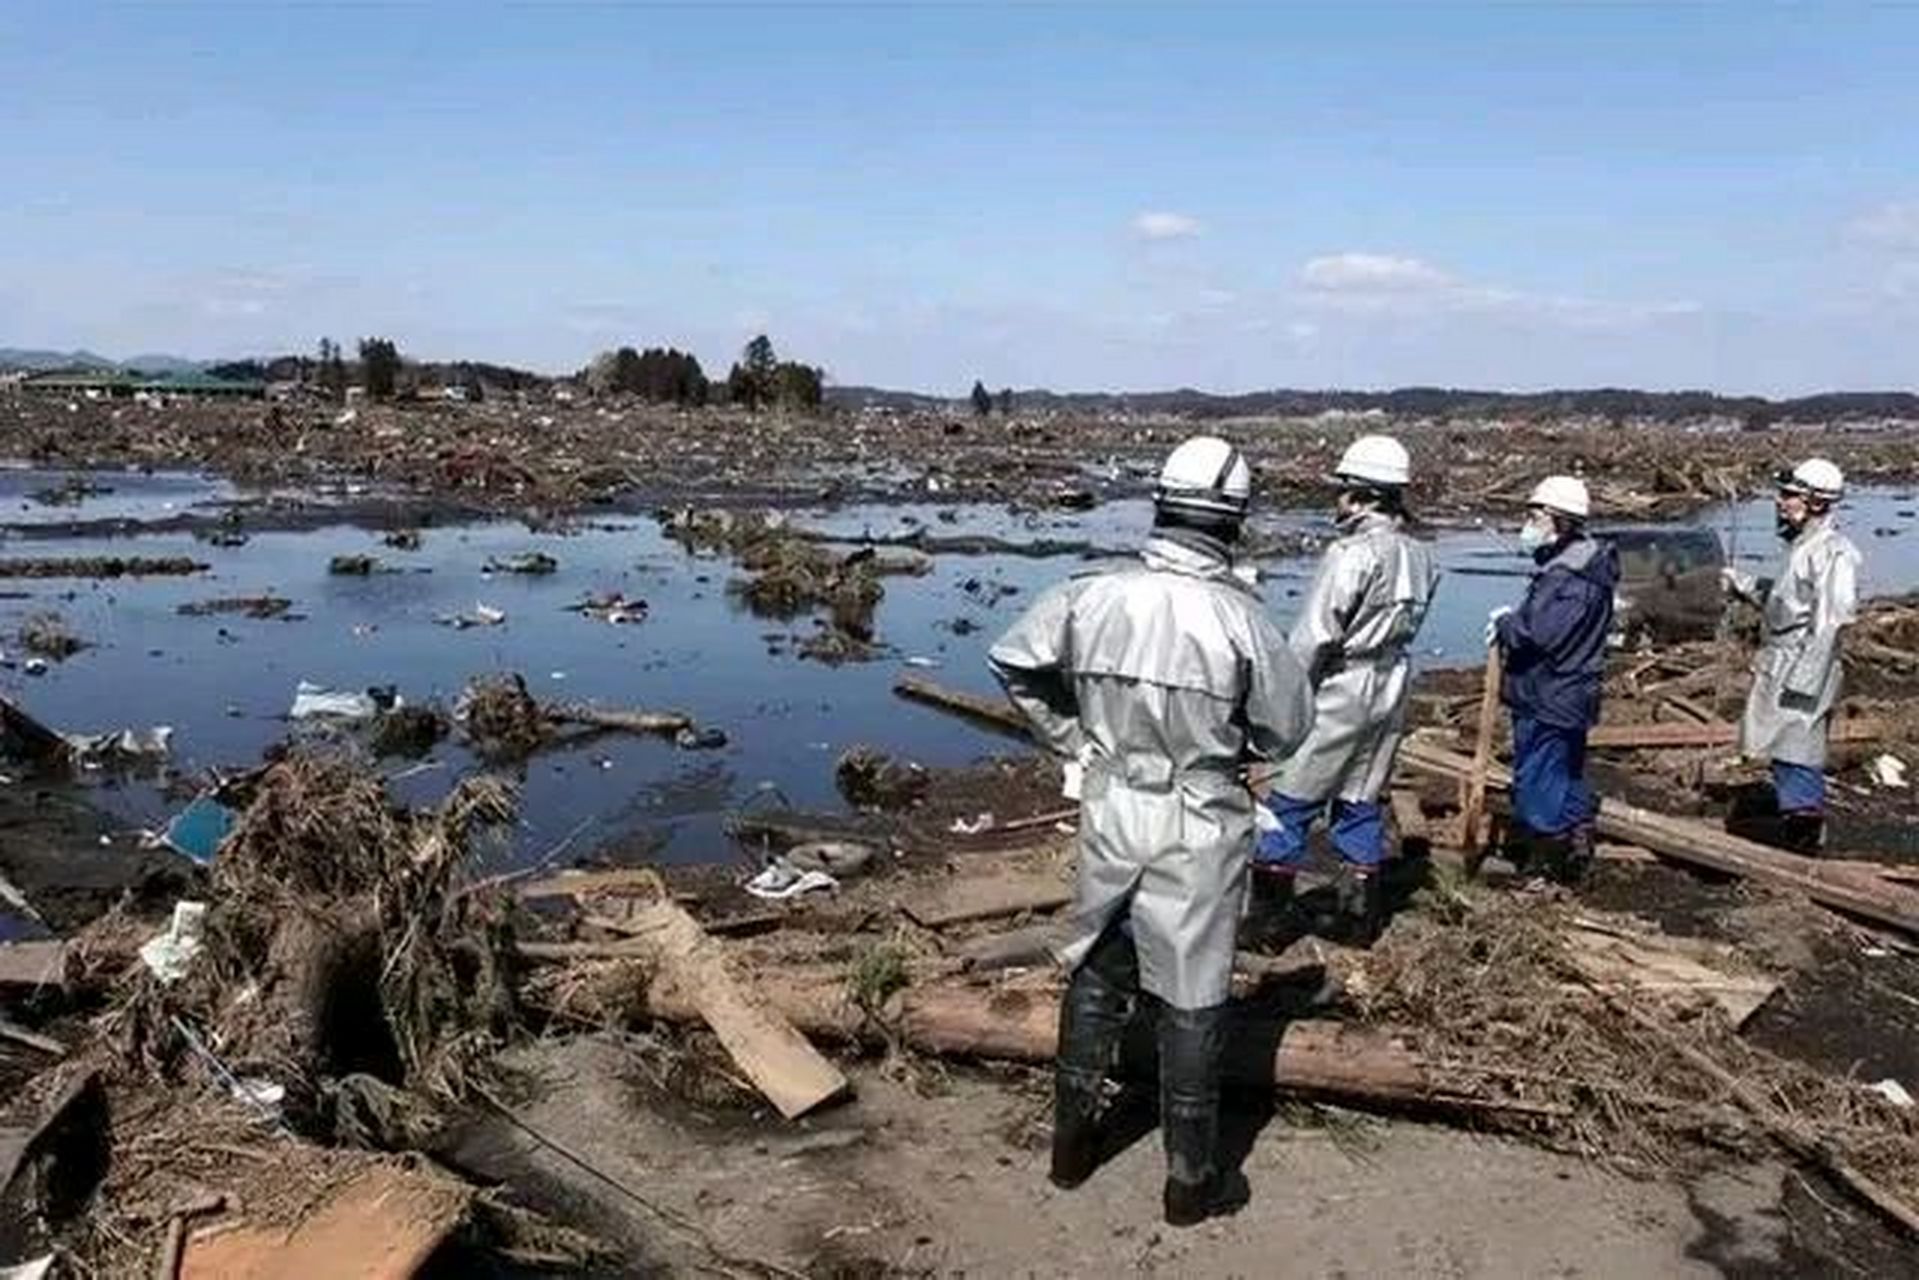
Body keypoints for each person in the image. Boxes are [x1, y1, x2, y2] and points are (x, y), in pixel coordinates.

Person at [987, 435, 1313, 1228]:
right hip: (1199, 816)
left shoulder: (1088, 593)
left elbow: (1013, 663)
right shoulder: (1241, 620)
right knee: (1193, 995)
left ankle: (1069, 1151)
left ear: (1160, 504)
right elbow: (1286, 731)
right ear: (1233, 520)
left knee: (1098, 965)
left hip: (1112, 803)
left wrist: (1074, 740)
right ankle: (1189, 1183)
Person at [1250, 434, 1437, 943]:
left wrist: (1279, 701)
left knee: (1288, 800)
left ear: (1362, 494)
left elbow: (1314, 635)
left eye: (1343, 491)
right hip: (1393, 682)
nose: (1336, 501)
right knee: (1360, 799)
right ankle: (1360, 920)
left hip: (1344, 686)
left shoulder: (1349, 554)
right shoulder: (1420, 555)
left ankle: (1268, 923)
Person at [1722, 459, 1861, 854]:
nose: (1781, 503)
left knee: (1799, 750)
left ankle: (1803, 846)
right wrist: (1745, 585)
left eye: (1790, 496)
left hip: (1803, 664)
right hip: (1782, 662)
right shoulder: (1803, 546)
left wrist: (1805, 679)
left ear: (1816, 502)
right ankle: (1796, 830)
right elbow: (1787, 601)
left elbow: (1832, 620)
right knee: (1784, 753)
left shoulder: (1834, 553)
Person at [1487, 475, 1617, 884]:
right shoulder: (1584, 565)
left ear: (1557, 520)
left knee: (1538, 781)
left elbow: (1538, 634)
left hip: (1551, 691)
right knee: (1567, 773)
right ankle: (1575, 847)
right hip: (1571, 689)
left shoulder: (1568, 576)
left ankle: (1546, 869)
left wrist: (1507, 623)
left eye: (1534, 514)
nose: (1528, 522)